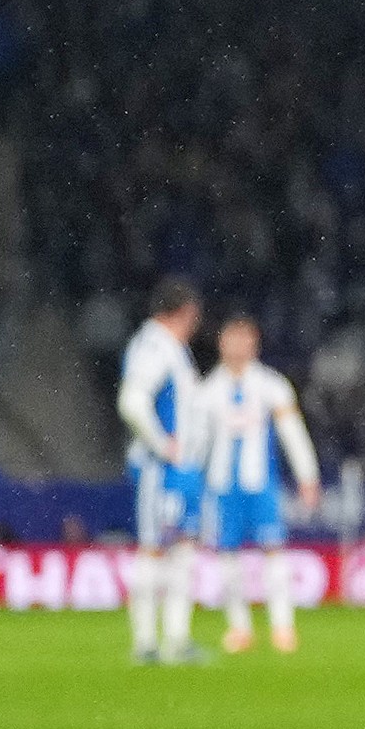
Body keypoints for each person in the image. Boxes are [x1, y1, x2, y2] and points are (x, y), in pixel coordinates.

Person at [196, 314, 323, 655]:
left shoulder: (271, 385)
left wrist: (307, 476)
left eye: (244, 339)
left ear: (255, 343)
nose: (237, 346)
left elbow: (292, 433)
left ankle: (283, 626)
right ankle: (239, 628)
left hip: (261, 485)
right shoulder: (207, 391)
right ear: (221, 343)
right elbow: (198, 443)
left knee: (274, 553)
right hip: (223, 487)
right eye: (231, 339)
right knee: (227, 559)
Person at [116, 279, 205, 667]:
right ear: (185, 311)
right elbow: (132, 402)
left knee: (182, 551)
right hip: (161, 469)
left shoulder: (171, 348)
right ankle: (145, 642)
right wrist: (161, 444)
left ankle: (177, 639)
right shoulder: (153, 347)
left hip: (181, 469)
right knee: (154, 550)